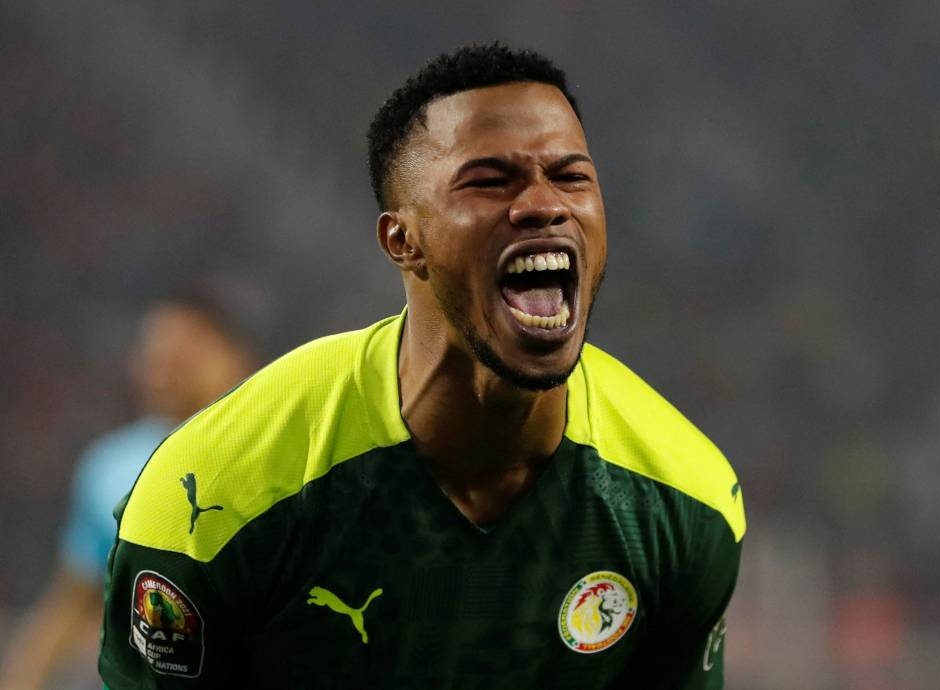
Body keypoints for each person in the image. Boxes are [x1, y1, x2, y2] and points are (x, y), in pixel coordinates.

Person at [97, 43, 745, 689]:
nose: (545, 204)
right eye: (490, 180)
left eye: (571, 176)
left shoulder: (683, 500)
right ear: (402, 241)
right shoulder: (214, 498)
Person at [0, 293, 258, 690]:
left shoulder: (274, 453)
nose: (164, 364)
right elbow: (76, 596)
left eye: (185, 350)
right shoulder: (109, 466)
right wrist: (24, 676)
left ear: (235, 356)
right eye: (154, 350)